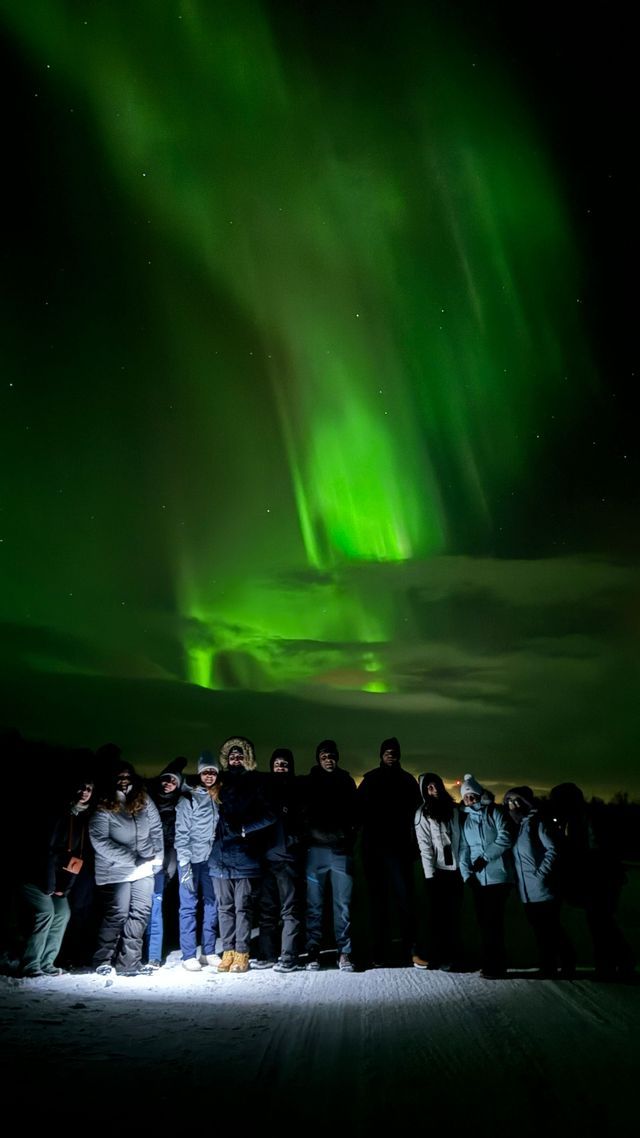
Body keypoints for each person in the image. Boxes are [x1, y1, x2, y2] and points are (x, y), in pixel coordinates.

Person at [549, 782, 635, 981]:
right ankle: (614, 964)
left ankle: (614, 964)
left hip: (600, 880)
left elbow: (594, 852)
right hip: (599, 878)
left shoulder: (584, 820)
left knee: (601, 923)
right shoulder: (578, 818)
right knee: (601, 923)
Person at [90, 759, 163, 977]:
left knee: (140, 913)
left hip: (144, 868)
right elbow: (100, 841)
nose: (124, 780)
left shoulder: (143, 799)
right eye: (120, 776)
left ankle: (130, 963)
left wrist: (157, 857)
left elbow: (156, 828)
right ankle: (103, 960)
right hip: (116, 870)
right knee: (117, 914)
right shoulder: (104, 803)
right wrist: (132, 859)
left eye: (127, 776)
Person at [16, 775, 95, 977]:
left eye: (89, 789)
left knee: (62, 914)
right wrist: (50, 885)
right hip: (36, 876)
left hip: (58, 880)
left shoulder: (82, 818)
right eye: (81, 787)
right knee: (45, 912)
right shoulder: (57, 814)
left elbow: (77, 857)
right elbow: (47, 851)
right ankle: (30, 963)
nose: (85, 792)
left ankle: (46, 962)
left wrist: (64, 888)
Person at [208, 737, 275, 974]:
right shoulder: (219, 783)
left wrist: (246, 829)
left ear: (247, 758)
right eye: (232, 756)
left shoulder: (256, 783)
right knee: (224, 907)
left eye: (240, 756)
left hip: (245, 857)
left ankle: (242, 953)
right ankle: (227, 951)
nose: (235, 759)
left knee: (243, 907)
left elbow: (270, 814)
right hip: (219, 858)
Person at [357, 737, 423, 968]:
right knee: (378, 902)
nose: (390, 755)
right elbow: (357, 812)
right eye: (386, 752)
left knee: (405, 901)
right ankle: (380, 950)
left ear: (399, 755)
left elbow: (418, 816)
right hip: (374, 850)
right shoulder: (370, 780)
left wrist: (415, 847)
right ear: (381, 754)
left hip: (400, 850)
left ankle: (411, 949)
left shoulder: (407, 781)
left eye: (394, 751)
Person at [300, 739, 359, 972]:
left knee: (342, 905)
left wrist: (348, 837)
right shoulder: (310, 782)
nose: (328, 759)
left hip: (340, 853)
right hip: (316, 852)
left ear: (337, 757)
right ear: (318, 758)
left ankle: (344, 952)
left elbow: (356, 814)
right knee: (313, 905)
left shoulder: (346, 781)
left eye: (332, 755)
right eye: (324, 756)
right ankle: (313, 952)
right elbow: (303, 815)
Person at [458, 773, 515, 979]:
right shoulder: (467, 822)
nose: (470, 800)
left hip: (499, 876)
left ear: (480, 794)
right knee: (484, 922)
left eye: (472, 795)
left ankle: (497, 964)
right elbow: (463, 849)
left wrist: (485, 857)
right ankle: (488, 961)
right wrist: (467, 876)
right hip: (479, 880)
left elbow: (506, 837)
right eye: (466, 797)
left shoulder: (495, 812)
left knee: (494, 922)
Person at [252, 747, 304, 972]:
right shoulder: (264, 790)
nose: (280, 767)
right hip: (267, 858)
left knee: (289, 910)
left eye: (284, 764)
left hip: (287, 858)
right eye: (277, 764)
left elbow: (304, 820)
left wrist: (294, 841)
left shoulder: (297, 790)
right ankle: (267, 954)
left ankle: (288, 956)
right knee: (267, 909)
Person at [175, 752, 220, 971]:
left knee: (212, 904)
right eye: (206, 772)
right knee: (188, 905)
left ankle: (209, 951)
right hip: (190, 860)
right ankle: (188, 954)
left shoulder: (217, 796)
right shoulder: (189, 798)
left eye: (213, 772)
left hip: (210, 860)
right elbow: (181, 832)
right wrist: (184, 862)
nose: (209, 775)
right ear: (199, 773)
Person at [414, 772, 465, 971]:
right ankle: (429, 954)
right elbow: (425, 847)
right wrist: (430, 876)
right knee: (436, 916)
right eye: (429, 787)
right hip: (438, 871)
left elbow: (460, 839)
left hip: (456, 869)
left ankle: (452, 955)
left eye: (436, 785)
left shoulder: (453, 809)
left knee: (453, 915)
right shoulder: (422, 813)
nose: (433, 790)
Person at [145, 757, 187, 969]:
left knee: (158, 902)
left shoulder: (181, 804)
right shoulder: (146, 800)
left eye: (173, 780)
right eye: (165, 779)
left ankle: (154, 953)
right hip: (145, 857)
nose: (168, 783)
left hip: (168, 859)